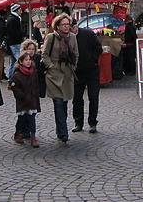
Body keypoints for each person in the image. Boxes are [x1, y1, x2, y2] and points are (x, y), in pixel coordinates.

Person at [42, 13, 78, 143]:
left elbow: (76, 54)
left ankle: (60, 128)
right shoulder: (51, 37)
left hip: (67, 74)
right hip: (54, 75)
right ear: (57, 26)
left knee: (64, 103)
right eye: (63, 24)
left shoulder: (73, 37)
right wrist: (51, 66)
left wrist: (73, 66)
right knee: (58, 103)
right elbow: (45, 55)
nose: (66, 27)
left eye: (68, 24)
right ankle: (63, 133)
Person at [71, 21, 102, 134]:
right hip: (77, 72)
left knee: (93, 97)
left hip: (92, 71)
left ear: (76, 27)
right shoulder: (67, 37)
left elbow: (99, 48)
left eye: (72, 28)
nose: (70, 31)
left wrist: (93, 60)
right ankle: (78, 122)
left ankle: (92, 122)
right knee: (77, 98)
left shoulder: (88, 34)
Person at [10, 52, 41, 148]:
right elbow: (15, 88)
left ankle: (33, 136)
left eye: (29, 60)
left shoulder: (33, 73)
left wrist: (35, 95)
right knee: (22, 119)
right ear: (21, 61)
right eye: (26, 60)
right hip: (23, 101)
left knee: (32, 119)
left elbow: (36, 85)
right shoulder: (17, 75)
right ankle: (17, 132)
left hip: (32, 100)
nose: (28, 62)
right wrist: (22, 96)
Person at [6, 4, 25, 80]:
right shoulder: (14, 20)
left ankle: (10, 78)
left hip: (12, 43)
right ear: (17, 10)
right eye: (20, 10)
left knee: (13, 62)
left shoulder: (11, 19)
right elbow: (14, 32)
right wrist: (23, 34)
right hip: (15, 43)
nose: (21, 11)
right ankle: (20, 77)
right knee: (20, 60)